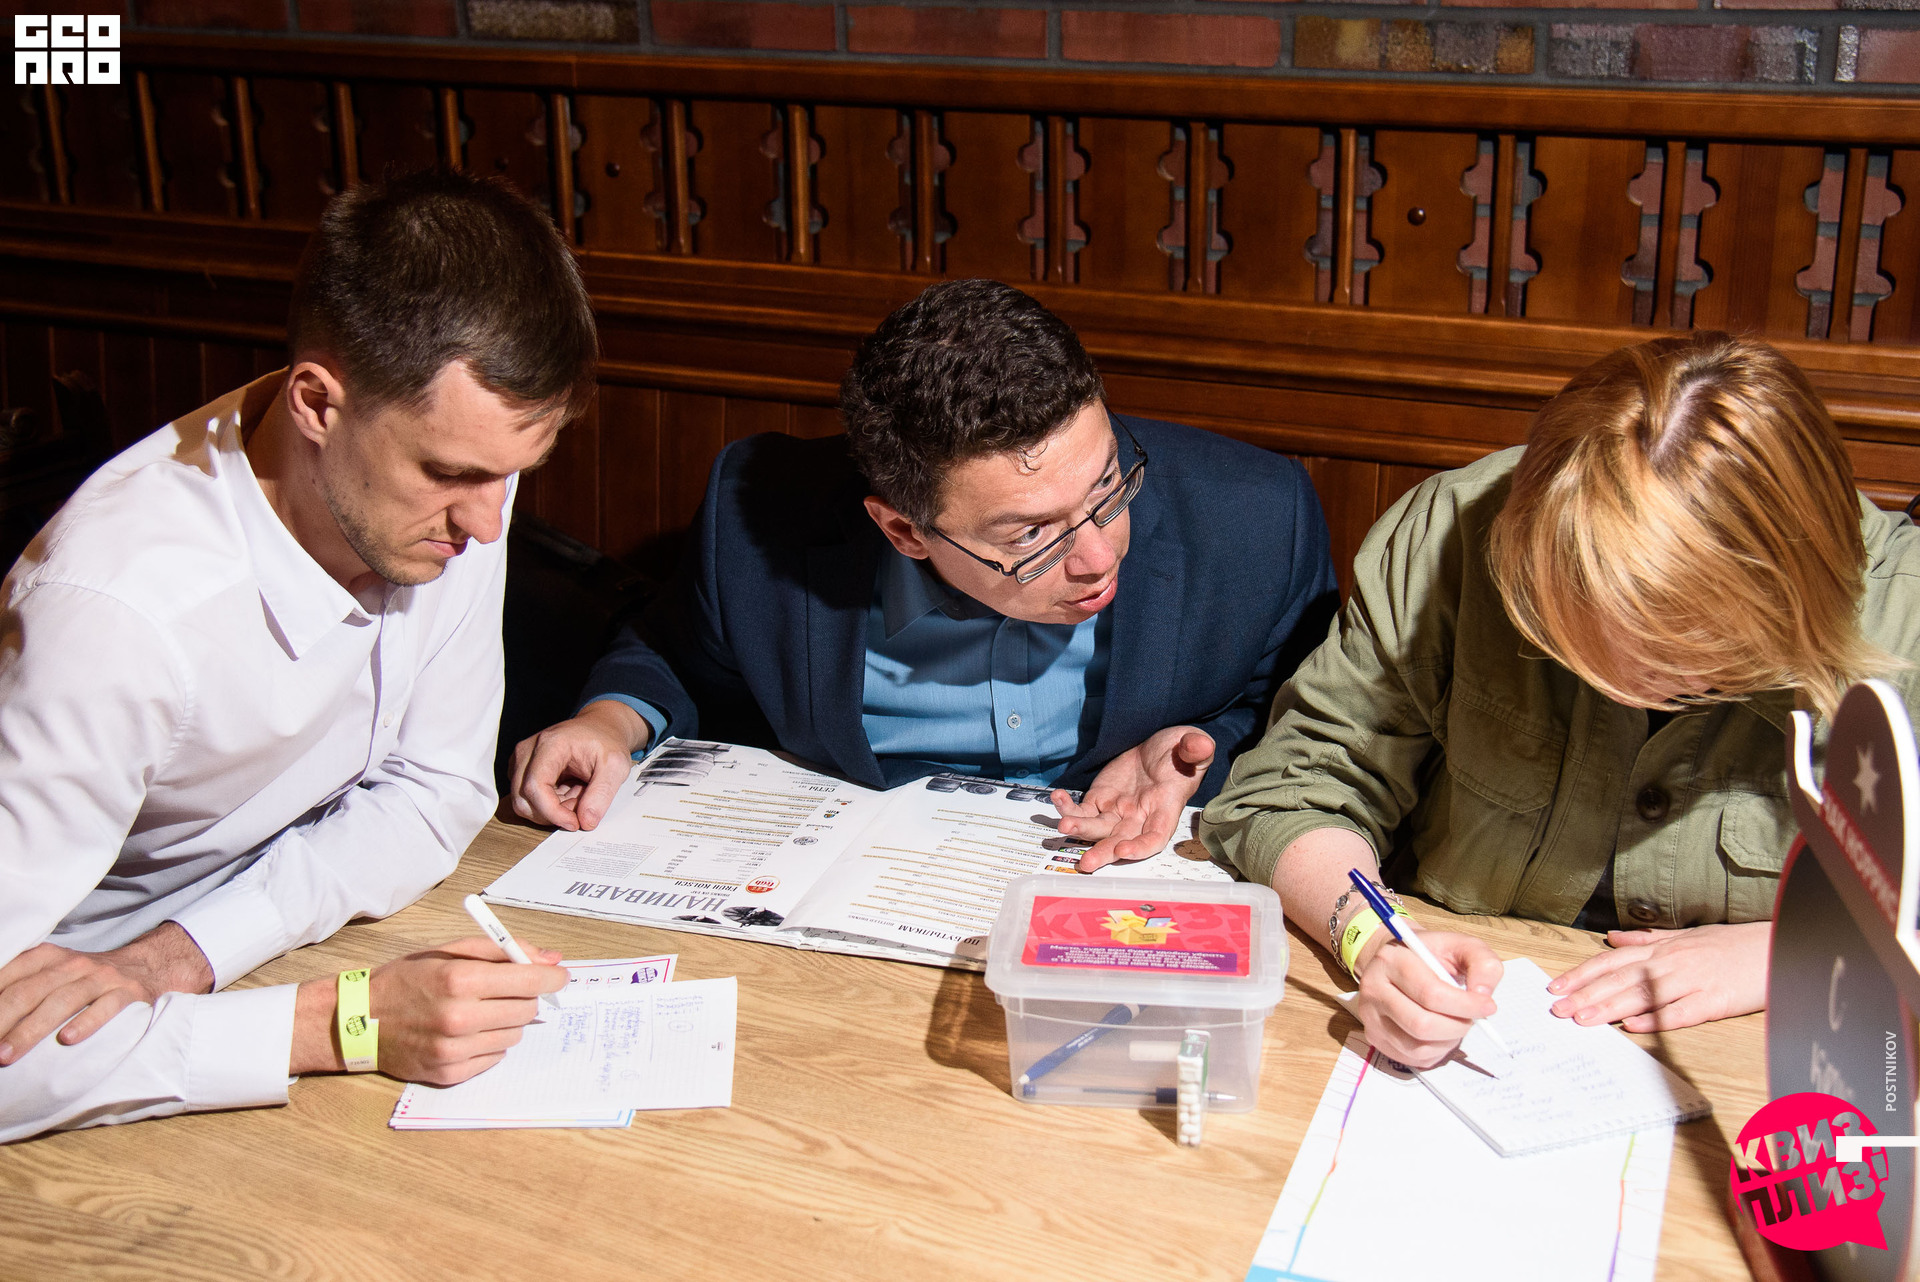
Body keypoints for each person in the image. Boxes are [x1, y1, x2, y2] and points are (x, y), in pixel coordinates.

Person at [0, 169, 597, 1142]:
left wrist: (187, 952)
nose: (490, 525)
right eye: (452, 474)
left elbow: (434, 788)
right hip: (90, 1040)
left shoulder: (458, 469)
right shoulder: (116, 613)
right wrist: (339, 1022)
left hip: (216, 963)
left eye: (512, 475)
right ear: (317, 401)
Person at [1202, 331, 1920, 1069]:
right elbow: (1296, 792)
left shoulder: (1910, 613)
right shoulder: (1453, 534)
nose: (1621, 676)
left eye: (1683, 652)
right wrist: (1375, 938)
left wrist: (1793, 949)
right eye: (1571, 629)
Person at [510, 279, 1338, 866]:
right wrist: (609, 722)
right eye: (1030, 534)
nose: (1097, 555)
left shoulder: (1257, 517)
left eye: (1106, 488)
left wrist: (1206, 758)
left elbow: (1305, 715)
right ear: (903, 530)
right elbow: (674, 652)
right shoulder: (760, 519)